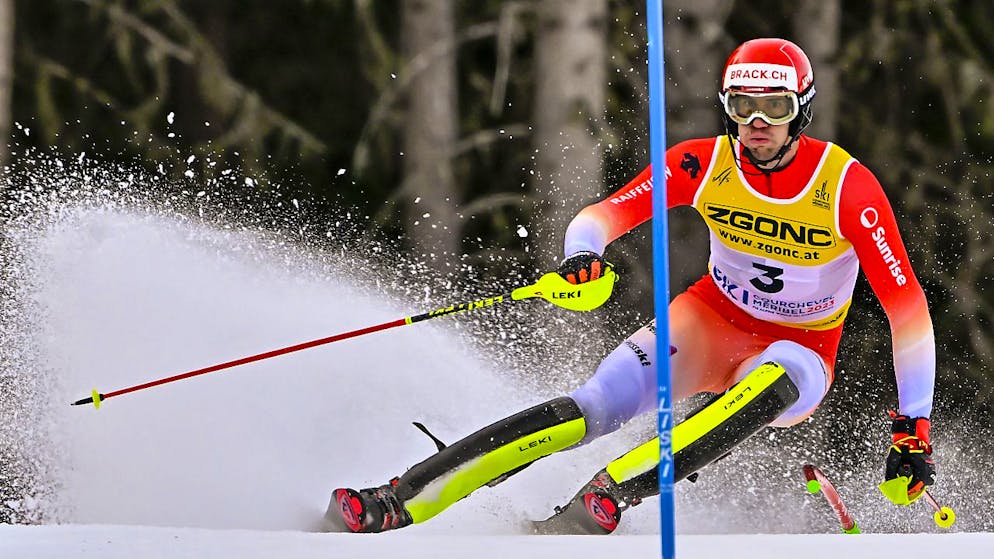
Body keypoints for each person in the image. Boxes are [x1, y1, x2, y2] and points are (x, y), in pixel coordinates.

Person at [326, 38, 937, 535]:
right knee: (595, 405)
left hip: (802, 348)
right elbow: (601, 217)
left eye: (774, 108)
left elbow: (906, 309)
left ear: (800, 109)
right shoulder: (702, 163)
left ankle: (615, 489)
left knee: (776, 374)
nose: (756, 124)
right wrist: (582, 258)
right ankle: (401, 499)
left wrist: (914, 425)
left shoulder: (847, 187)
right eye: (741, 105)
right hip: (711, 320)